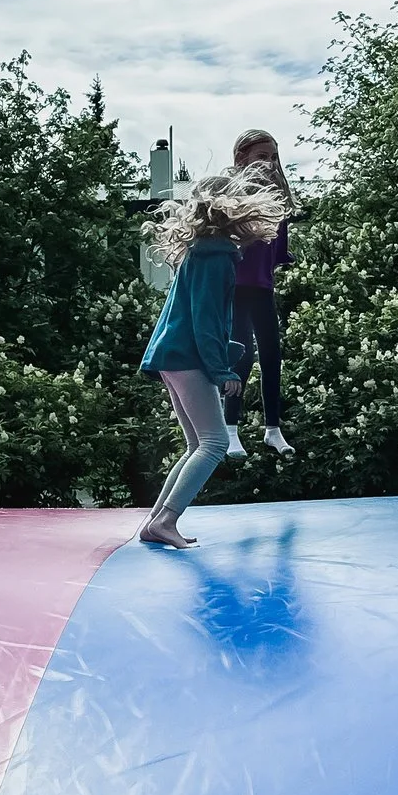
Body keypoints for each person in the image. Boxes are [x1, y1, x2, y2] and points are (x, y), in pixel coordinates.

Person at [138, 171, 290, 549]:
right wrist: (221, 369)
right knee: (214, 443)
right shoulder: (217, 258)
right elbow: (206, 318)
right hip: (187, 356)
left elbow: (190, 314)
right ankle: (167, 520)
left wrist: (225, 351)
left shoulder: (200, 252)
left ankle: (155, 521)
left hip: (172, 356)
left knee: (196, 445)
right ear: (236, 215)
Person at [222, 128, 298, 460]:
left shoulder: (277, 200)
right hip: (236, 286)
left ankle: (272, 429)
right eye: (261, 157)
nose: (268, 163)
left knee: (271, 355)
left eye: (273, 157)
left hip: (262, 286)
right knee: (242, 353)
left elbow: (278, 252)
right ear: (241, 159)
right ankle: (230, 429)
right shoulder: (231, 197)